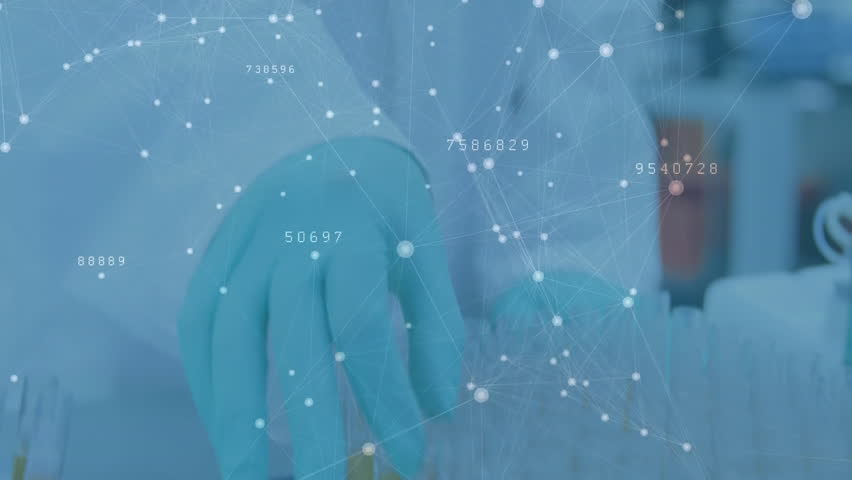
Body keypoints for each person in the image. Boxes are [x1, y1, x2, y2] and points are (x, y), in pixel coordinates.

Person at [0, 1, 662, 478]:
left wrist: (562, 239)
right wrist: (255, 134)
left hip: (451, 393)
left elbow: (578, 32)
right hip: (120, 395)